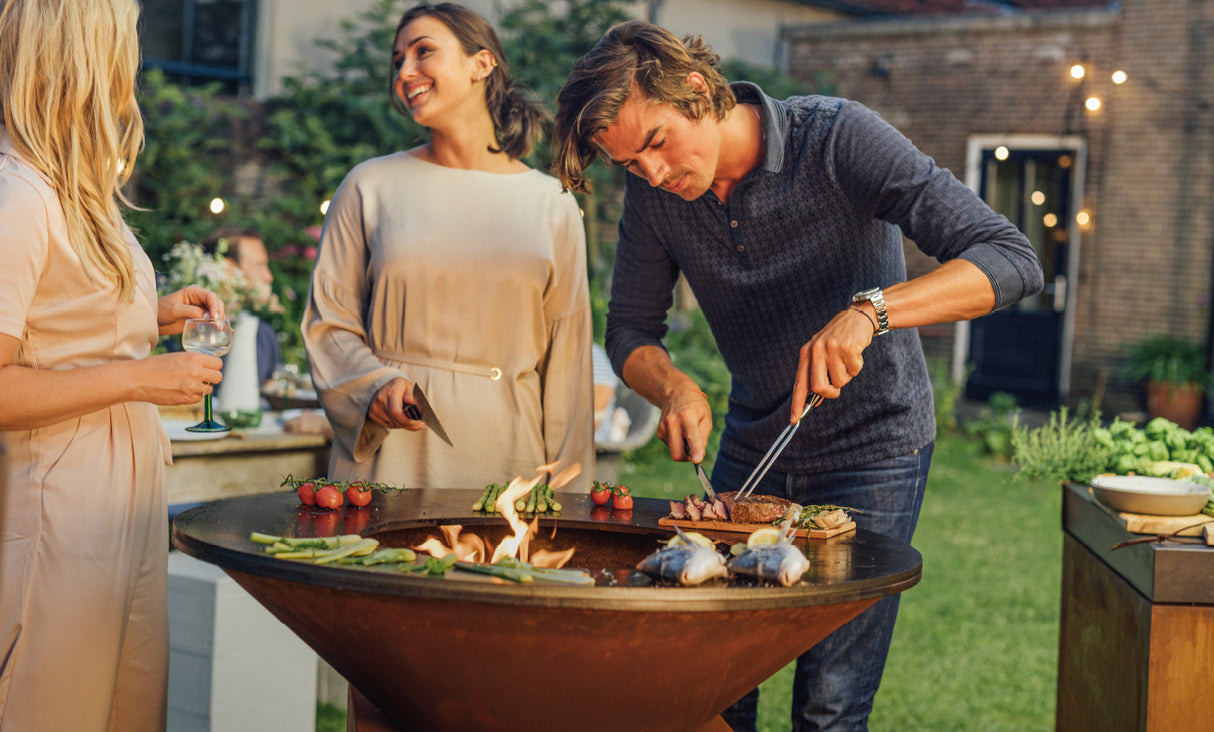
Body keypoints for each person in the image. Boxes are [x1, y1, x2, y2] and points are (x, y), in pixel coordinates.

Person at [552, 21, 1044, 731]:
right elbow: (629, 329)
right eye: (631, 164)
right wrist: (674, 387)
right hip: (753, 443)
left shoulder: (838, 139)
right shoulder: (656, 197)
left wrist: (871, 312)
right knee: (712, 685)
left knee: (830, 704)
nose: (652, 175)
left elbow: (1010, 258)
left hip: (877, 448)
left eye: (657, 143)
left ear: (697, 91)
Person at [0, 1, 227, 729]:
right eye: (123, 43)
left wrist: (151, 316)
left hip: (125, 505)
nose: (132, 63)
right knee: (55, 709)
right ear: (81, 55)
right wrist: (139, 378)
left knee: (129, 707)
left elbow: (58, 323)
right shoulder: (18, 196)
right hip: (60, 508)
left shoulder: (77, 189)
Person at [302, 2, 594, 492]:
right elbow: (328, 326)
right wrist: (375, 385)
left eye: (423, 52)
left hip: (508, 459)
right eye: (398, 60)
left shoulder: (553, 203)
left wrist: (571, 501)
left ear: (482, 64)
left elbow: (569, 367)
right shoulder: (369, 185)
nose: (405, 72)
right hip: (394, 449)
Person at [202, 226, 283, 388]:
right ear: (229, 268)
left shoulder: (264, 336)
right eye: (259, 265)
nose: (268, 276)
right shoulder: (193, 332)